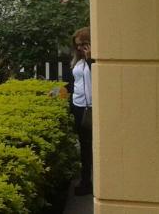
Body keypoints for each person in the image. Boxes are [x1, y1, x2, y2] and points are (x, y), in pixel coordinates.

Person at [69, 27, 93, 196]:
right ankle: (85, 181)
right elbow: (73, 83)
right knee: (84, 146)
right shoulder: (77, 62)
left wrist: (90, 58)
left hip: (92, 108)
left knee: (94, 146)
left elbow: (98, 77)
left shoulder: (95, 61)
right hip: (78, 106)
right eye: (77, 45)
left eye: (82, 44)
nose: (79, 48)